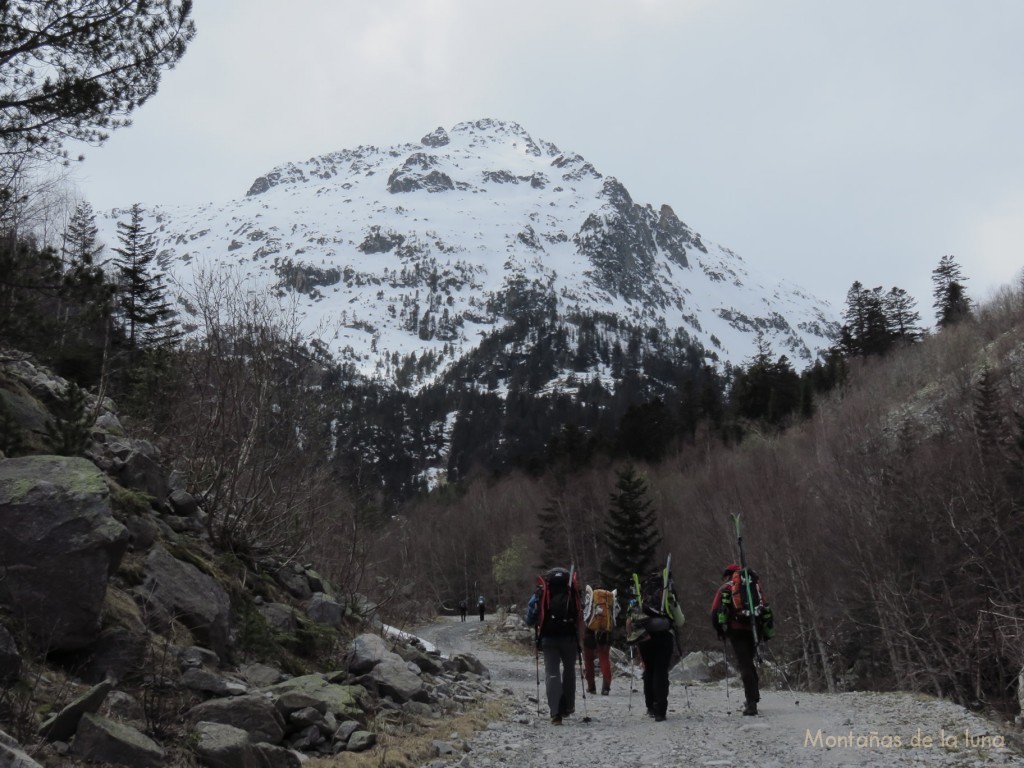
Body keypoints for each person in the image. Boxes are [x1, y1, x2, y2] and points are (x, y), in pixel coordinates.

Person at [711, 563, 771, 716]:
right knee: (749, 661)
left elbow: (714, 612)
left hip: (736, 630)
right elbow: (765, 606)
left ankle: (751, 703)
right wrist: (766, 630)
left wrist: (720, 630)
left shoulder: (726, 588)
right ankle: (753, 697)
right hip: (754, 628)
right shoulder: (753, 586)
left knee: (744, 664)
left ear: (729, 574)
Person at [525, 567, 582, 725]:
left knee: (552, 672)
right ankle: (569, 706)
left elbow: (531, 614)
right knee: (569, 670)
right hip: (569, 637)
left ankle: (555, 712)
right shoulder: (572, 592)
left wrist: (531, 623)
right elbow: (580, 611)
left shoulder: (542, 592)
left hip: (548, 638)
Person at [627, 570, 684, 722]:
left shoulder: (642, 594)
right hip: (664, 636)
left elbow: (630, 617)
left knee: (649, 670)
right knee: (661, 670)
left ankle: (650, 706)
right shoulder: (667, 595)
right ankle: (661, 710)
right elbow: (680, 621)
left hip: (645, 636)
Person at [582, 585, 618, 695]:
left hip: (590, 631)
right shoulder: (610, 599)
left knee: (588, 660)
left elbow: (584, 614)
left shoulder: (590, 597)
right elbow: (616, 614)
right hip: (605, 631)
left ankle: (591, 687)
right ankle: (606, 688)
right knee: (604, 658)